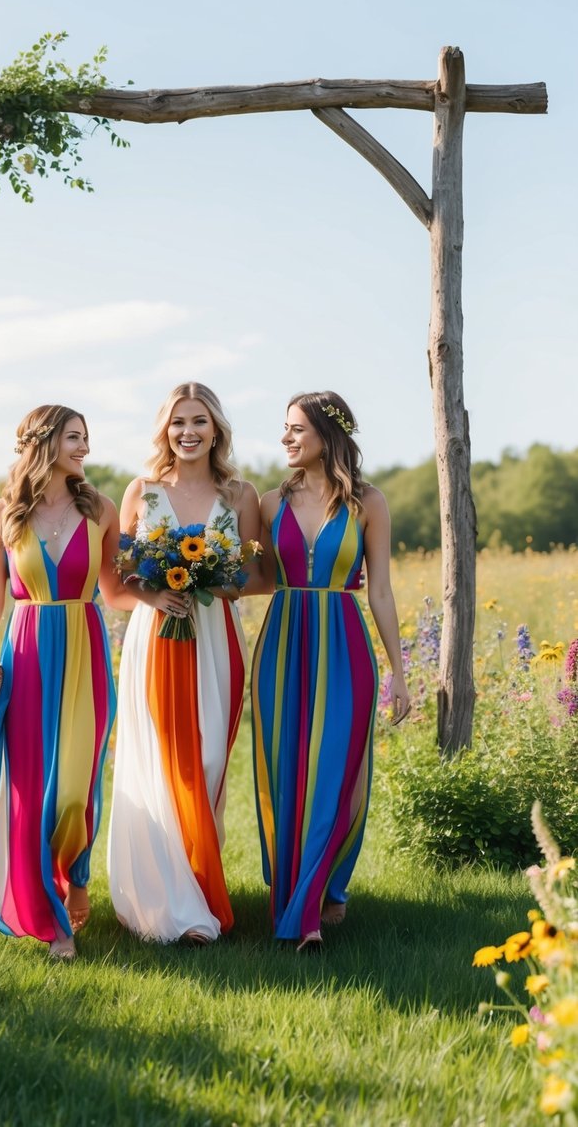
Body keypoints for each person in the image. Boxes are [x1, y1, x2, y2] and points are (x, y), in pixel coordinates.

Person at [0, 404, 133, 961]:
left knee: (75, 787)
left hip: (84, 651)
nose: (85, 449)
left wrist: (163, 594)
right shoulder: (3, 514)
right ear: (43, 443)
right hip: (23, 655)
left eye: (86, 438)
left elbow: (115, 587)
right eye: (75, 438)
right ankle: (55, 922)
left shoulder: (100, 509)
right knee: (29, 792)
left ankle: (76, 873)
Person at [251, 391, 410, 951]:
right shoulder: (269, 502)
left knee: (338, 772)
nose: (286, 439)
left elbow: (383, 591)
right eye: (285, 429)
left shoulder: (370, 502)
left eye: (296, 429)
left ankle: (316, 902)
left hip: (345, 645)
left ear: (326, 434)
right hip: (282, 645)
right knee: (286, 768)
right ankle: (303, 892)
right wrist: (180, 579)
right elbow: (256, 579)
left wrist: (399, 670)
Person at [108, 382, 261, 944]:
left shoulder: (241, 495)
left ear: (216, 428)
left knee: (210, 759)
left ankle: (199, 880)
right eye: (178, 423)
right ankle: (174, 905)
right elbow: (120, 576)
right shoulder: (142, 490)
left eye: (199, 421)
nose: (188, 432)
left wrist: (220, 581)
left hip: (216, 636)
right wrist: (153, 594)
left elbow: (259, 575)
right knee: (163, 765)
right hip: (157, 639)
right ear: (165, 431)